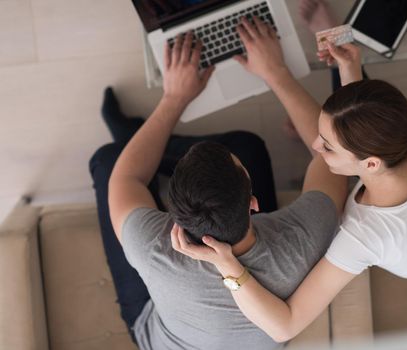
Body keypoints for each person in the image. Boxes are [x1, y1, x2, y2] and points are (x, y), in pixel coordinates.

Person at [173, 14, 407, 343]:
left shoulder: (363, 236)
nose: (316, 148)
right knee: (385, 129)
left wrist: (227, 264)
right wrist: (349, 71)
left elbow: (284, 326)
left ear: (372, 164)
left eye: (327, 147)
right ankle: (344, 80)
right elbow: (367, 135)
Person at [91, 19, 349, 350]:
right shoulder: (301, 239)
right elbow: (332, 155)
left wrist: (174, 98)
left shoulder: (150, 245)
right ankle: (147, 140)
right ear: (254, 204)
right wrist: (276, 72)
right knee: (246, 145)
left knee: (110, 158)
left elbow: (127, 178)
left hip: (156, 336)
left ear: (173, 211)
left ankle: (137, 136)